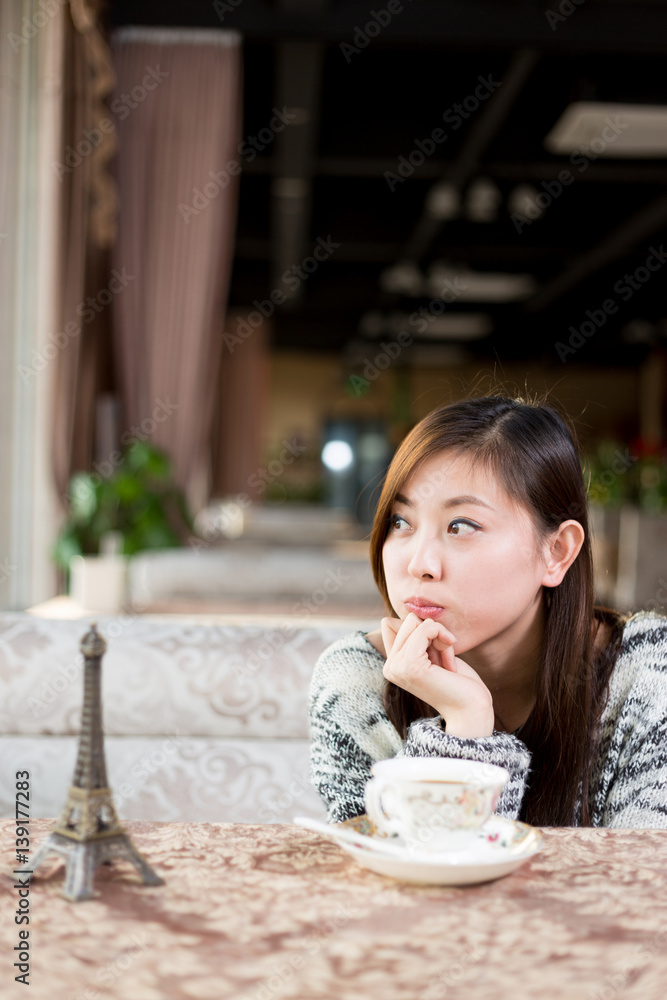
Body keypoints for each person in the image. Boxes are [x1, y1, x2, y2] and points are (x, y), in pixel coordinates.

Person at [310, 394, 667, 828]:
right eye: (401, 522)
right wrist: (464, 727)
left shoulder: (649, 672)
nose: (419, 563)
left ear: (556, 551)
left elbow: (647, 885)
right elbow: (406, 886)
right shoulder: (357, 682)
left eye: (461, 526)